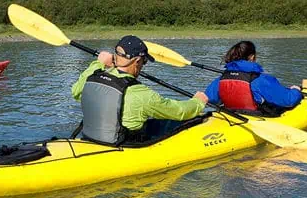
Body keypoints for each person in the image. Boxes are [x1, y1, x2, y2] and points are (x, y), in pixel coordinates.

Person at [72, 35, 209, 145]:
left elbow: (76, 92)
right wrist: (198, 102)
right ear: (137, 61)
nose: (143, 65)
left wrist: (99, 63)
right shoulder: (142, 94)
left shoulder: (92, 77)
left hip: (90, 139)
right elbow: (179, 112)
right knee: (177, 122)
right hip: (125, 145)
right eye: (144, 62)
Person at [204, 40, 307, 117]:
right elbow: (288, 100)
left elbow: (209, 99)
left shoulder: (221, 79)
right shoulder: (261, 80)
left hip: (232, 115)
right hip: (256, 116)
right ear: (251, 57)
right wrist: (296, 90)